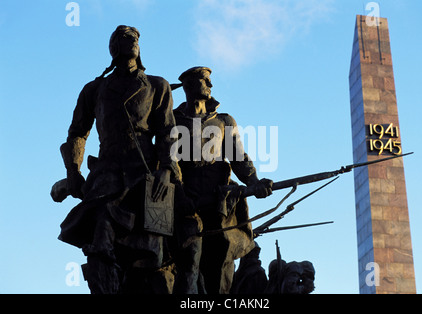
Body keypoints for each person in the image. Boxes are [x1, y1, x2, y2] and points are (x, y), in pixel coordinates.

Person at [55, 25, 180, 294]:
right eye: (125, 38)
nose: (133, 41)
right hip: (107, 173)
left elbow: (167, 131)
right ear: (113, 47)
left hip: (147, 172)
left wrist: (167, 169)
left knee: (155, 252)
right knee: (100, 234)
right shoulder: (94, 89)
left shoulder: (158, 86)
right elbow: (77, 133)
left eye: (135, 38)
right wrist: (73, 172)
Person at [171, 66, 272, 294]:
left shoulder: (224, 121)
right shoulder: (173, 120)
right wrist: (179, 193)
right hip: (185, 200)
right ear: (188, 85)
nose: (210, 85)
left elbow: (238, 158)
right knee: (187, 257)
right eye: (205, 80)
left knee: (220, 255)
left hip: (218, 201)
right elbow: (167, 160)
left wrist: (254, 182)